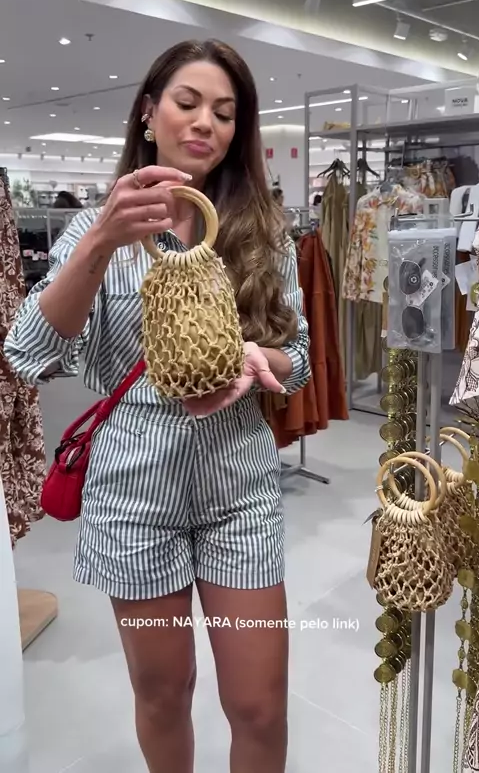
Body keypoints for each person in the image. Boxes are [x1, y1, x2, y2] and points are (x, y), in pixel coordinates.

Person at [5, 39, 310, 773]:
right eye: (187, 102)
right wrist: (102, 240)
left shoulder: (263, 233)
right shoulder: (97, 230)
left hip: (240, 492)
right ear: (149, 111)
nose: (205, 123)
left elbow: (298, 358)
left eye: (225, 113)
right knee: (163, 693)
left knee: (260, 706)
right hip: (134, 497)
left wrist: (260, 361)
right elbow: (28, 353)